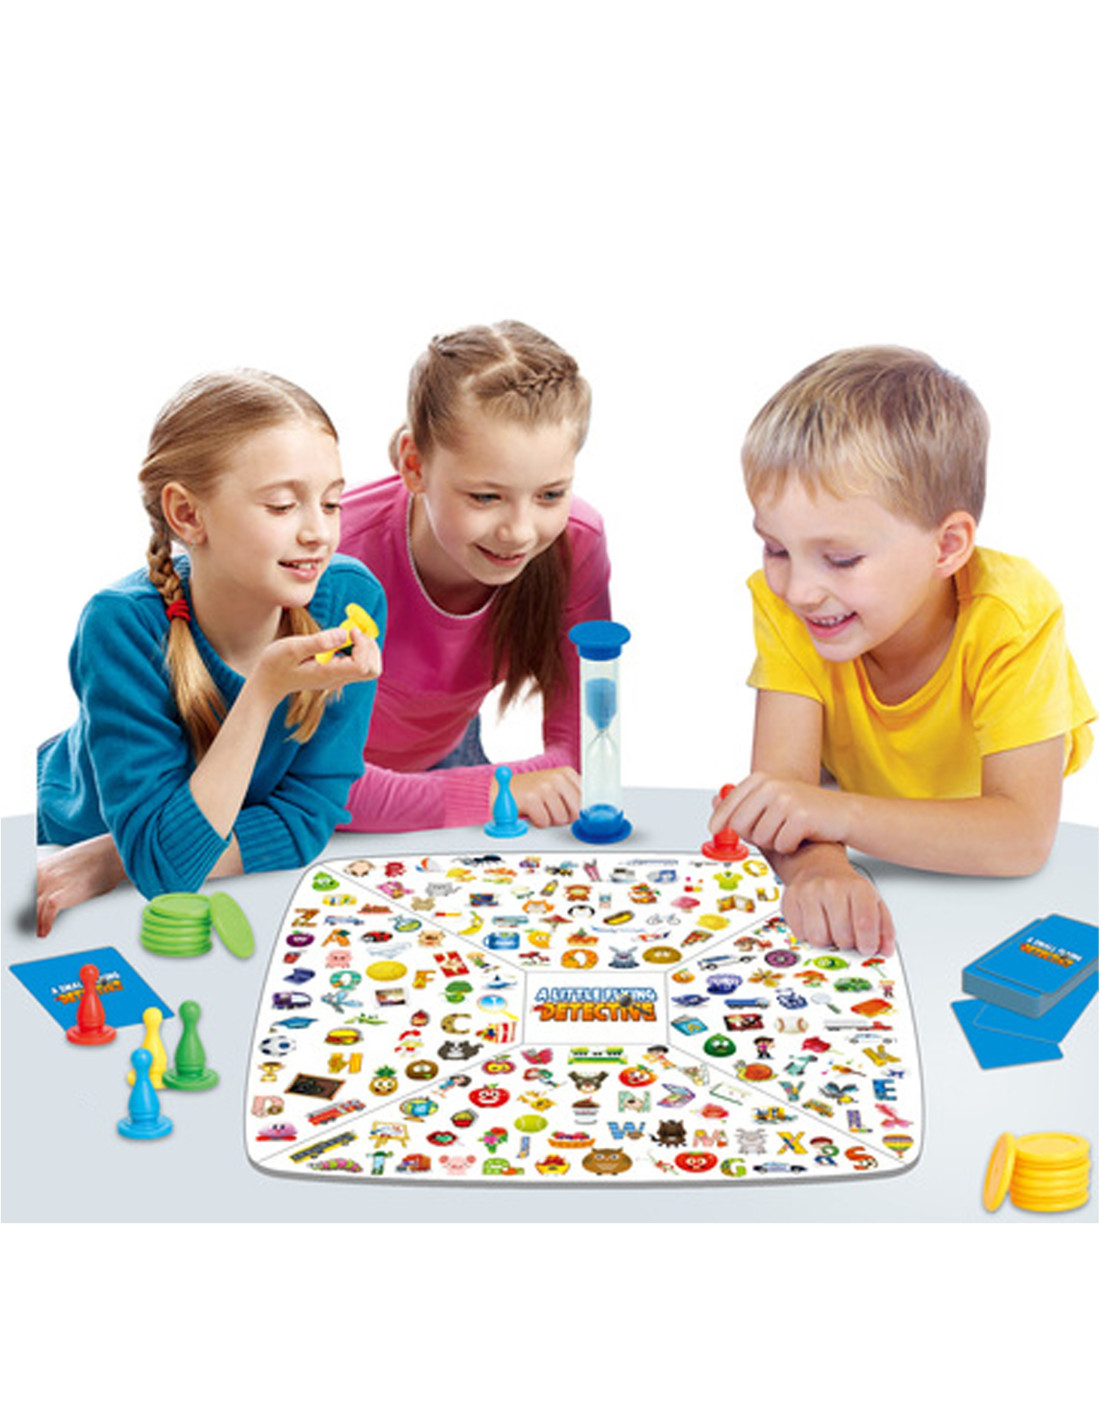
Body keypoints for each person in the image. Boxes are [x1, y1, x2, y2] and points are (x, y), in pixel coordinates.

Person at [707, 346, 1095, 956]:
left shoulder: (1013, 615)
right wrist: (821, 868)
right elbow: (785, 792)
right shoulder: (786, 606)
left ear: (947, 547)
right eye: (776, 549)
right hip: (896, 890)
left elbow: (1022, 837)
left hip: (989, 897)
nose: (799, 590)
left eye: (841, 559)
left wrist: (834, 815)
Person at [36, 370, 385, 934]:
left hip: (130, 857)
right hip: (59, 842)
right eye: (282, 506)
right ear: (188, 515)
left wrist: (118, 859)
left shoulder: (350, 600)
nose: (319, 533)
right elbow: (167, 871)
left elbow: (307, 818)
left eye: (331, 503)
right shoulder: (122, 625)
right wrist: (264, 691)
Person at [337, 321, 611, 832]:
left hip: (446, 760)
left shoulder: (577, 543)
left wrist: (508, 786)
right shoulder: (335, 561)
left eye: (550, 494)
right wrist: (495, 790)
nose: (519, 532)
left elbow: (584, 746)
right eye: (486, 497)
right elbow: (316, 785)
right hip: (320, 781)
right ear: (414, 465)